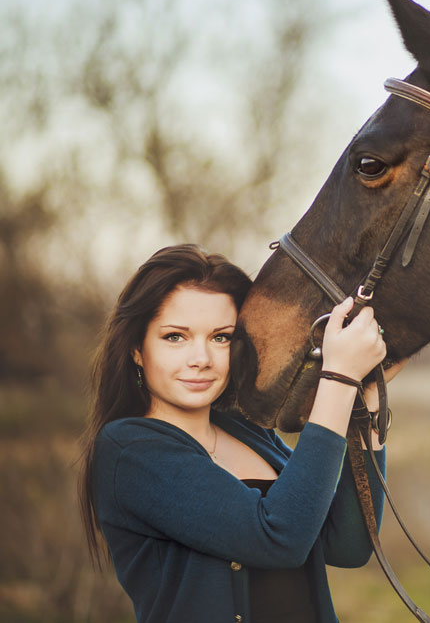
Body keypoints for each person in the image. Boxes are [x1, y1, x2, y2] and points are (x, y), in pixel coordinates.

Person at [79, 244, 397, 623]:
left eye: (221, 337)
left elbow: (348, 545)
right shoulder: (130, 450)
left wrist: (367, 403)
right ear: (136, 348)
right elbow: (279, 537)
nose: (201, 359)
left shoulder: (248, 431)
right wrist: (338, 378)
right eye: (175, 337)